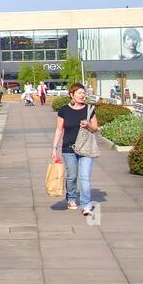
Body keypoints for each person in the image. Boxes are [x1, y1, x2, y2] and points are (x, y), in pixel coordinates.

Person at [53, 82, 99, 214]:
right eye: (79, 93)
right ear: (71, 95)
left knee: (85, 177)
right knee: (72, 177)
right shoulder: (63, 110)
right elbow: (59, 129)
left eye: (83, 93)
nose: (82, 95)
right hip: (69, 149)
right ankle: (71, 199)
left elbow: (95, 129)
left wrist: (88, 125)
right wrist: (54, 147)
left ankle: (86, 204)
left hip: (86, 149)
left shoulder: (89, 109)